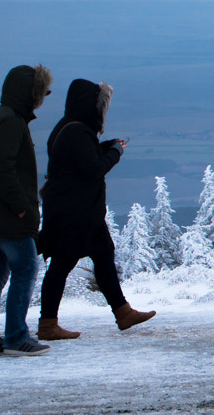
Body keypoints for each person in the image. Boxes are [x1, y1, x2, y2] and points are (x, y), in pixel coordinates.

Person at [37, 79, 156, 338]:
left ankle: (122, 312)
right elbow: (93, 170)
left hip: (77, 210)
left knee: (101, 254)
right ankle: (47, 324)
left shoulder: (67, 128)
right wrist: (114, 153)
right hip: (75, 213)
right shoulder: (77, 132)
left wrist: (105, 146)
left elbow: (79, 159)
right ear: (92, 106)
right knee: (63, 263)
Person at [0, 64, 55, 357]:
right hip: (8, 217)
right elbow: (2, 167)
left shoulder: (1, 117)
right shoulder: (12, 122)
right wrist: (21, 207)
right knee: (26, 268)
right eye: (40, 92)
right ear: (30, 93)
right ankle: (16, 337)